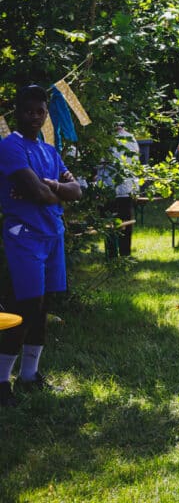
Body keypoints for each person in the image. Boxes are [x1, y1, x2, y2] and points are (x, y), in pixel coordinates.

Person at [0, 85, 83, 407]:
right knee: (25, 307)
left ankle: (30, 375)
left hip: (52, 234)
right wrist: (57, 190)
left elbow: (76, 191)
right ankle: (2, 381)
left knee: (43, 306)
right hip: (25, 236)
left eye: (40, 112)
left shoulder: (49, 151)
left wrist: (58, 187)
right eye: (28, 111)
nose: (35, 117)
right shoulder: (10, 147)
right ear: (17, 113)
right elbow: (37, 193)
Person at [98, 123, 140, 257]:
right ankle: (125, 254)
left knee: (109, 223)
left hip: (109, 187)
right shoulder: (131, 139)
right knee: (125, 223)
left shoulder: (105, 140)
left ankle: (111, 255)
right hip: (127, 188)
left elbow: (99, 160)